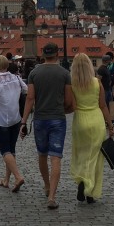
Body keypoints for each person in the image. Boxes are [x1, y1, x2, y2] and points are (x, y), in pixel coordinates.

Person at [21, 42, 73, 210]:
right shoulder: (65, 74)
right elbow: (68, 100)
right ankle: (52, 197)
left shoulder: (34, 73)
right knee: (56, 157)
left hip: (40, 119)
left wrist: (23, 121)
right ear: (57, 54)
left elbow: (30, 98)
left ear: (43, 54)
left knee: (42, 154)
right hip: (57, 118)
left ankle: (46, 185)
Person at [69, 53, 113, 204]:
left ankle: (82, 181)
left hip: (80, 121)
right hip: (96, 120)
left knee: (81, 154)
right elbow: (103, 106)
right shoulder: (96, 83)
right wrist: (111, 125)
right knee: (95, 157)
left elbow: (73, 107)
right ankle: (90, 191)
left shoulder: (72, 84)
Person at [0, 55, 25, 192]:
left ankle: (18, 176)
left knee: (5, 150)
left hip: (2, 119)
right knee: (11, 150)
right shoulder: (16, 78)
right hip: (16, 118)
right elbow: (26, 90)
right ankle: (6, 180)